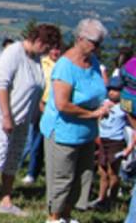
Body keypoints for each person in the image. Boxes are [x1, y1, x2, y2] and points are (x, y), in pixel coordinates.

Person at [0, 23, 61, 216]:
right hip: (5, 114)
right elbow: (1, 85)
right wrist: (6, 116)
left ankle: (6, 200)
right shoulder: (13, 53)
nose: (47, 52)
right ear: (38, 41)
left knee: (14, 157)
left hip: (23, 117)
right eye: (46, 47)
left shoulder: (36, 58)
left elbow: (35, 89)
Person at [40, 18, 111, 223]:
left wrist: (104, 105)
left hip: (86, 132)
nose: (97, 47)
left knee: (82, 176)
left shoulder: (93, 63)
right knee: (62, 178)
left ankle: (67, 215)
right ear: (80, 39)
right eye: (94, 42)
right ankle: (54, 217)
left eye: (100, 43)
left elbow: (98, 90)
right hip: (64, 131)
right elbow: (62, 104)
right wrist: (92, 114)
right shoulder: (65, 66)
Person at [21, 44, 63, 185]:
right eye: (53, 49)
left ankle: (50, 173)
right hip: (41, 104)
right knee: (35, 141)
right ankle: (31, 172)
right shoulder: (42, 62)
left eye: (58, 49)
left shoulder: (64, 64)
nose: (55, 51)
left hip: (58, 107)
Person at [91, 76, 130, 210]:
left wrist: (129, 146)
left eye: (116, 90)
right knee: (102, 171)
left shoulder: (125, 105)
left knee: (113, 171)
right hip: (102, 139)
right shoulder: (103, 102)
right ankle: (101, 199)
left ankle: (111, 200)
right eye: (110, 89)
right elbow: (96, 117)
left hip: (116, 141)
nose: (112, 92)